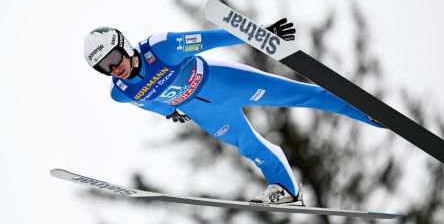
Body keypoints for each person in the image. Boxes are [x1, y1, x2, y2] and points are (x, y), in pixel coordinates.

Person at [83, 19, 383, 206]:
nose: (113, 67)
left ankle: (365, 111)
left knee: (300, 96)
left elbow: (212, 38)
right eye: (104, 67)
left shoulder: (161, 47)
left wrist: (258, 34)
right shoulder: (121, 92)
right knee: (249, 147)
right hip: (202, 111)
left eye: (113, 58)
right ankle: (287, 190)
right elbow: (149, 102)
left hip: (221, 82)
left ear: (123, 44)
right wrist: (170, 111)